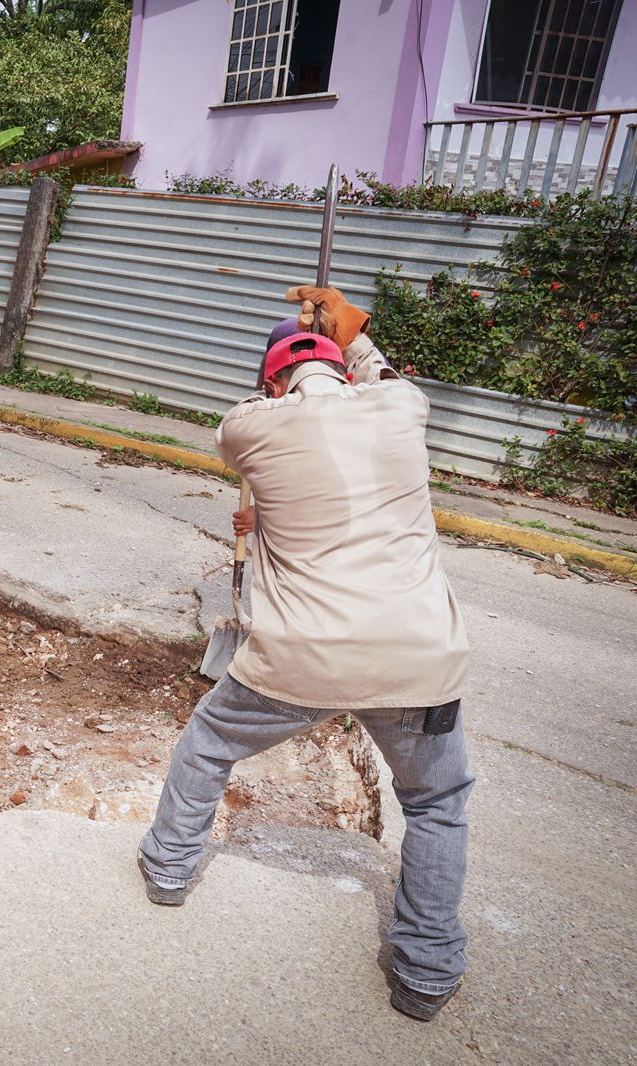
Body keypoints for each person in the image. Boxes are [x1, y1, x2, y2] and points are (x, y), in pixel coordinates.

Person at [137, 286, 475, 1023]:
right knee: (438, 803)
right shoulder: (402, 405)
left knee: (207, 743)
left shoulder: (244, 426)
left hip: (303, 657)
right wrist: (348, 330)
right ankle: (424, 973)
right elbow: (361, 396)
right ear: (348, 366)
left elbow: (280, 431)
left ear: (269, 380)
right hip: (420, 659)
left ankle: (167, 871)